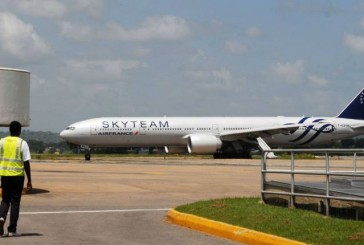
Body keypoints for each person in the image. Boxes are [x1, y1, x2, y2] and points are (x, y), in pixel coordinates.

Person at [0, 121, 32, 237]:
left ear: (9, 130)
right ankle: (12, 230)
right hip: (17, 177)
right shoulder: (22, 143)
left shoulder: (1, 142)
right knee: (15, 202)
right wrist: (29, 180)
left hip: (4, 175)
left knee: (5, 199)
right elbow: (26, 163)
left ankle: (1, 217)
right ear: (19, 131)